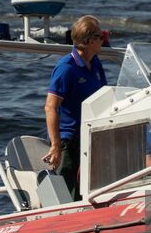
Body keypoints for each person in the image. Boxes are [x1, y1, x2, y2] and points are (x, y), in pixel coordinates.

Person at [44, 14, 107, 198]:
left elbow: (104, 95)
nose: (103, 40)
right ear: (89, 41)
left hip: (90, 135)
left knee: (87, 188)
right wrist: (56, 146)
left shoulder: (95, 63)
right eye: (100, 36)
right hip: (68, 139)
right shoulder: (67, 68)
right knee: (68, 190)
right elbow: (50, 107)